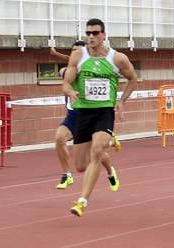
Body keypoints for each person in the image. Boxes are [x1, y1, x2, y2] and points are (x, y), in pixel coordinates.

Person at [63, 18, 138, 217]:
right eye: (88, 33)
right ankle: (109, 166)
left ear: (104, 35)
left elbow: (133, 79)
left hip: (104, 112)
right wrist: (70, 91)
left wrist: (122, 100)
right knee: (80, 166)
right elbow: (65, 83)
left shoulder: (117, 58)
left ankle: (82, 200)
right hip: (83, 113)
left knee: (96, 150)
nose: (91, 37)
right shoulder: (78, 56)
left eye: (95, 33)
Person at [50, 42, 120, 190]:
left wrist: (59, 55)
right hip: (72, 117)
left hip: (88, 116)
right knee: (58, 138)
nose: (75, 54)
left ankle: (110, 172)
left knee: (96, 153)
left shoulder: (87, 69)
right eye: (73, 51)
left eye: (78, 51)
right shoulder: (68, 71)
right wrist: (58, 56)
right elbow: (69, 64)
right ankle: (67, 175)